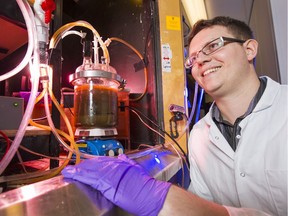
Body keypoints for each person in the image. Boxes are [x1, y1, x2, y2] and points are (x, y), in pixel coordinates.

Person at [62, 16, 287, 216]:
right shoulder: (199, 136)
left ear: (249, 50)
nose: (201, 61)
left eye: (213, 46)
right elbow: (203, 204)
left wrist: (168, 201)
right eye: (193, 57)